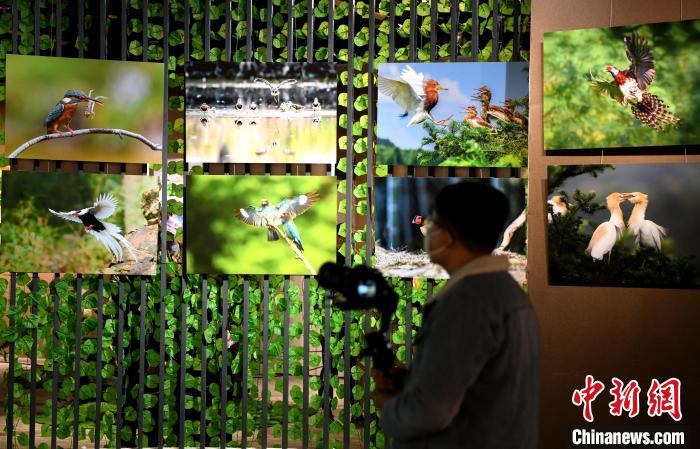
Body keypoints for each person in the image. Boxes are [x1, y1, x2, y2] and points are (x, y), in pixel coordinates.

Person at [372, 181, 540, 449]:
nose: (427, 232)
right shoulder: (507, 293)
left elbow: (430, 412)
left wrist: (389, 406)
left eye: (434, 224)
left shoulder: (466, 303)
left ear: (447, 237)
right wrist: (414, 380)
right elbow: (483, 384)